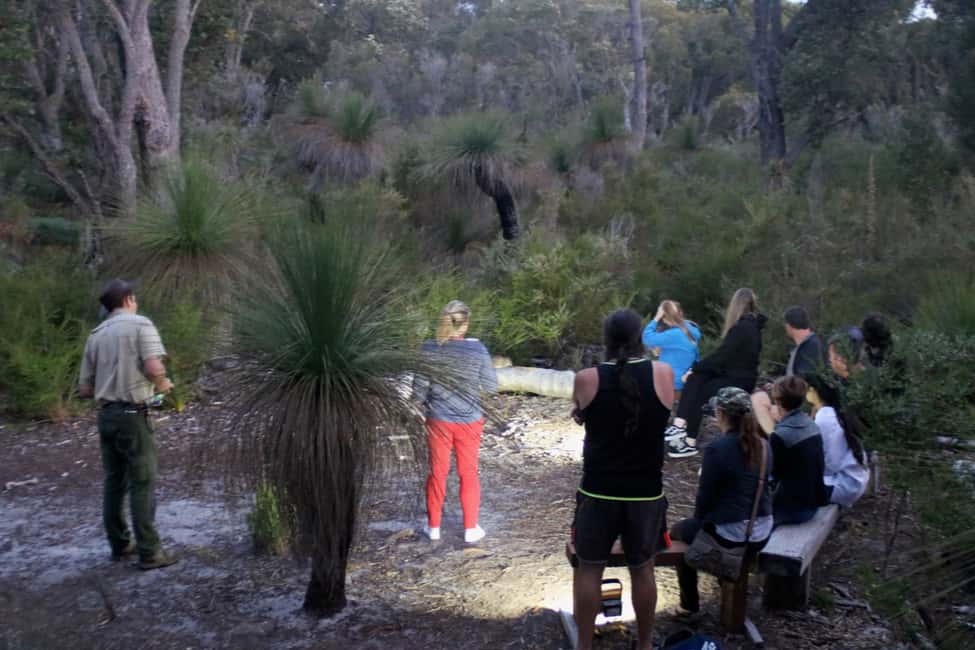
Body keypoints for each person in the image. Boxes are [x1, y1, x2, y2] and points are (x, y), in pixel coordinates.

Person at [570, 308, 674, 650]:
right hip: (645, 493)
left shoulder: (587, 379)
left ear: (607, 340)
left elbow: (582, 414)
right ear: (639, 338)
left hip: (598, 491)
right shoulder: (662, 374)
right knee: (643, 570)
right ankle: (644, 645)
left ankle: (584, 645)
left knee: (589, 570)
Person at [78, 279, 178, 570]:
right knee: (142, 482)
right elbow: (153, 365)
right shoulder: (140, 325)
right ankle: (150, 552)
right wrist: (163, 383)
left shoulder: (95, 335)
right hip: (134, 416)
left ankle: (120, 546)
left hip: (106, 416)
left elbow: (84, 389)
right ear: (130, 300)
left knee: (114, 481)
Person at [668, 387, 772, 616]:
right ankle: (722, 582)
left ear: (721, 414)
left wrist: (699, 526)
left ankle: (689, 606)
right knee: (694, 530)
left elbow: (704, 500)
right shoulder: (764, 445)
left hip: (733, 534)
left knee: (680, 534)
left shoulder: (717, 449)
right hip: (763, 530)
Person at [414, 300, 498, 544]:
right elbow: (491, 387)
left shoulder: (429, 348)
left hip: (438, 420)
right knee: (468, 473)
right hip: (470, 421)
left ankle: (433, 527)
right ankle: (471, 528)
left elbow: (418, 393)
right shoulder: (477, 349)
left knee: (437, 473)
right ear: (467, 324)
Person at [667, 288, 766, 458]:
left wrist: (694, 368)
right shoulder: (751, 327)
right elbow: (729, 358)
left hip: (739, 380)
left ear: (735, 305)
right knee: (698, 378)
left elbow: (721, 357)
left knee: (698, 386)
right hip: (740, 376)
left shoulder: (742, 328)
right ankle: (683, 430)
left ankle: (684, 433)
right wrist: (697, 370)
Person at [752, 305, 825, 433]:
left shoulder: (811, 347)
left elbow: (802, 383)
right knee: (760, 396)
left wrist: (780, 391)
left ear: (789, 326)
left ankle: (776, 440)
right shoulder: (808, 344)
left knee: (757, 401)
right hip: (792, 400)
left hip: (797, 406)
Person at [768, 376, 829, 526]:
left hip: (790, 511)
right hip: (812, 504)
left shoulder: (781, 435)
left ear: (778, 401)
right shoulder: (812, 426)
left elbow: (772, 476)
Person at [804, 373, 870, 507]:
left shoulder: (825, 417)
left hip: (844, 484)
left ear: (813, 390)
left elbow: (830, 464)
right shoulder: (833, 411)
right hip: (852, 480)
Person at [642, 300, 701, 399]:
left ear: (663, 316)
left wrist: (656, 318)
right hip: (685, 382)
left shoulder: (674, 335)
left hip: (671, 384)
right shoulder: (690, 330)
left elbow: (646, 337)